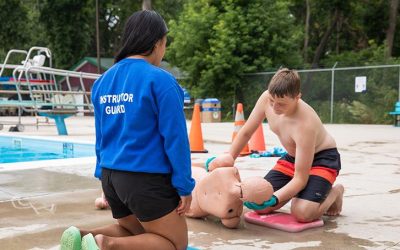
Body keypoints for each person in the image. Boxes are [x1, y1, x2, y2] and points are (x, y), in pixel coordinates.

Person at [60, 10, 194, 250]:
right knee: (174, 244)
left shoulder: (103, 81)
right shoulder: (160, 80)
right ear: (157, 43)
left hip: (112, 176)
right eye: (165, 43)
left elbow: (101, 137)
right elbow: (176, 139)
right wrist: (184, 186)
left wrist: (102, 175)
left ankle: (81, 236)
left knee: (133, 230)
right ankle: (106, 245)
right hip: (145, 177)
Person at [207, 68, 344, 223]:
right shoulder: (266, 98)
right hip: (293, 158)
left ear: (297, 97)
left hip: (321, 160)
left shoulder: (305, 124)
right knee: (259, 203)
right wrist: (229, 157)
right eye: (272, 101)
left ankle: (335, 192)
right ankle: (303, 193)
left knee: (303, 212)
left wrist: (275, 198)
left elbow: (300, 179)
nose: (274, 108)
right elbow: (246, 132)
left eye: (281, 104)